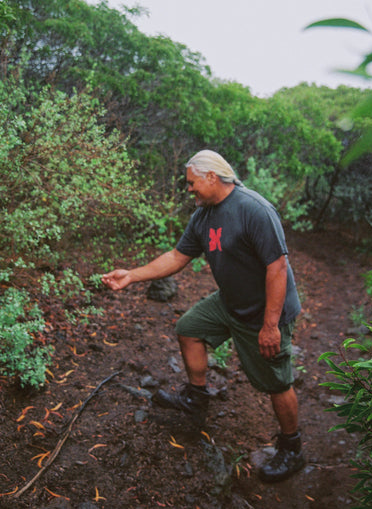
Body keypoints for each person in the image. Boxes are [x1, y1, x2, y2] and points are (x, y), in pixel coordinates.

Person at [102, 150, 305, 482]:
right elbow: (177, 256)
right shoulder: (203, 217)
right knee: (189, 328)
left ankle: (292, 449)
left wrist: (270, 325)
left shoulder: (253, 210)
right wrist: (133, 275)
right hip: (230, 301)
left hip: (265, 310)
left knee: (277, 382)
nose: (189, 189)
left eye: (192, 183)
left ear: (212, 177)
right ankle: (196, 398)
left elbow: (277, 267)